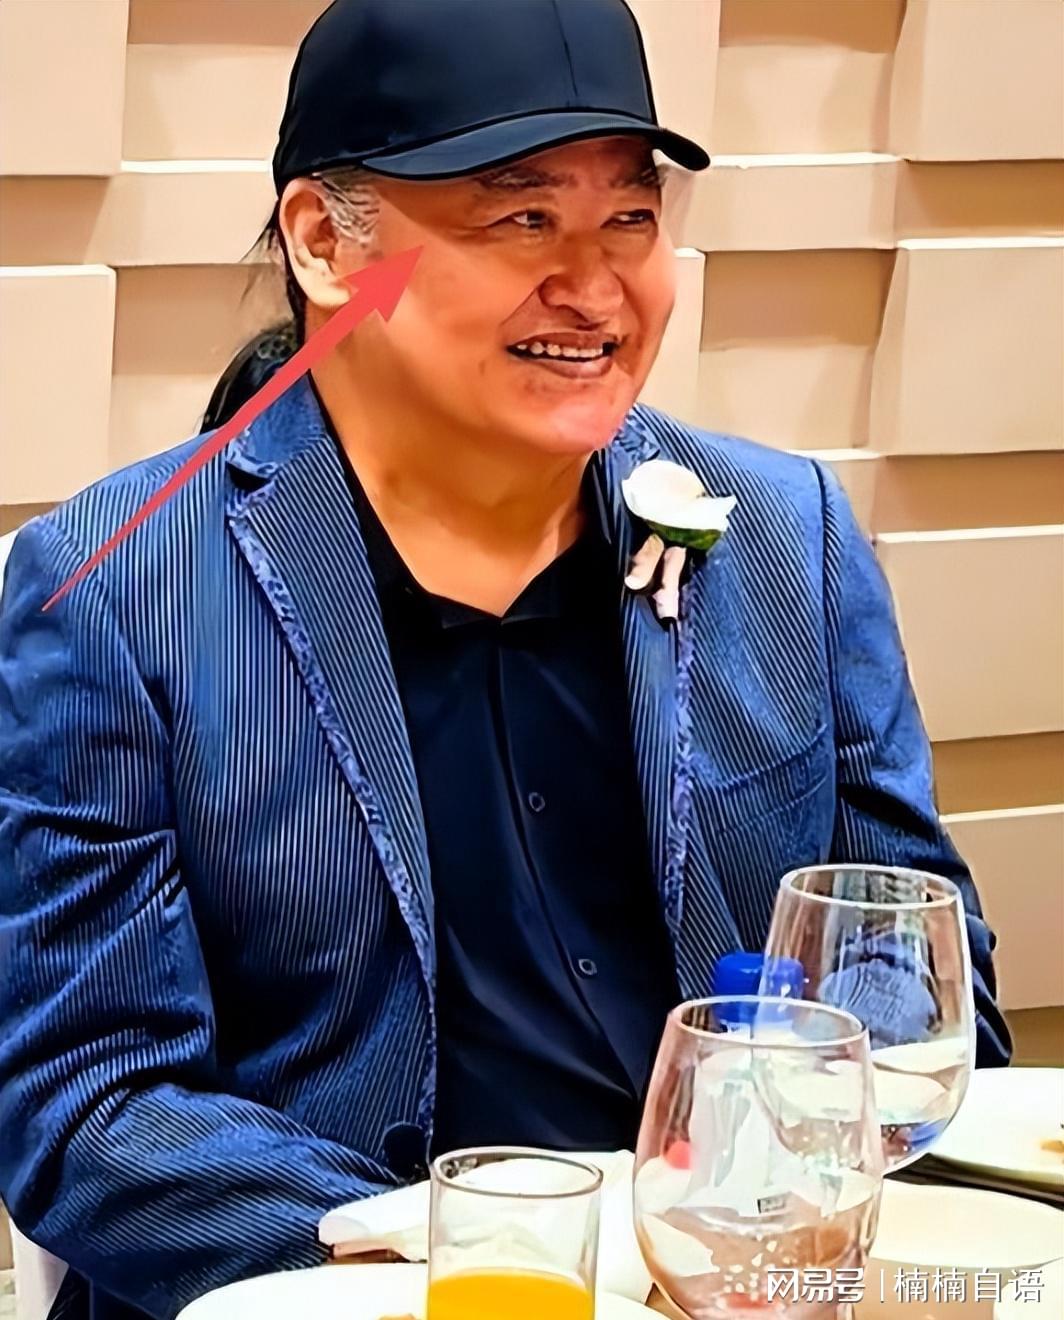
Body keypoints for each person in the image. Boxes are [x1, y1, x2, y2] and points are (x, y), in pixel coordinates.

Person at [0, 2, 1009, 1317]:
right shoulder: (117, 590)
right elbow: (89, 1103)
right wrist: (474, 1248)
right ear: (324, 242)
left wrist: (775, 1154)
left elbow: (914, 959)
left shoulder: (783, 537)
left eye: (629, 218)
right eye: (522, 219)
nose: (594, 288)